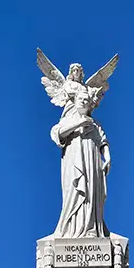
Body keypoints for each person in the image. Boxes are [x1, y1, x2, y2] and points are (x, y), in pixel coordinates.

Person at [51, 90, 110, 238]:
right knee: (74, 191)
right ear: (75, 102)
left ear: (90, 104)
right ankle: (70, 228)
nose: (84, 101)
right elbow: (57, 134)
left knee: (92, 192)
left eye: (86, 100)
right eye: (80, 99)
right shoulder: (67, 120)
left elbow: (103, 141)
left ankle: (92, 228)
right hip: (74, 160)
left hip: (92, 160)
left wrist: (107, 157)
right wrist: (78, 123)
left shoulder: (96, 124)